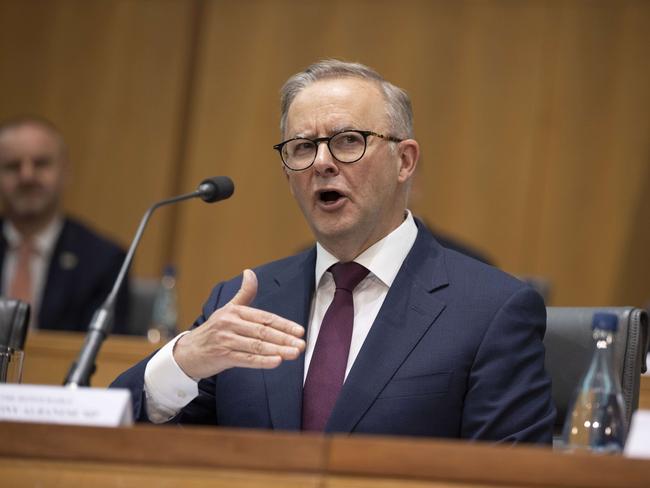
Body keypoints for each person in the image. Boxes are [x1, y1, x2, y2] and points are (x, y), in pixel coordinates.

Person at [112, 60, 555, 443]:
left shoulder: (491, 310)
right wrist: (183, 360)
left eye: (347, 140)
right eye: (303, 147)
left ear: (404, 161)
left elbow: (512, 474)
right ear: (288, 176)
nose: (322, 162)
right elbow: (123, 438)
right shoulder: (245, 301)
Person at [0, 116, 130, 333]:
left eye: (41, 164)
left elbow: (101, 350)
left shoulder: (103, 260)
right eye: (13, 166)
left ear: (65, 172)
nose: (27, 176)